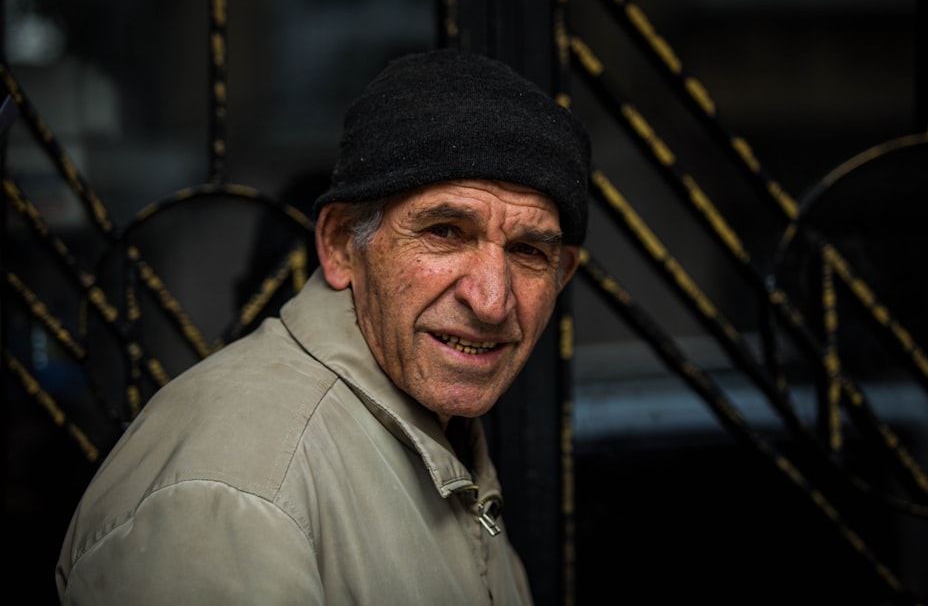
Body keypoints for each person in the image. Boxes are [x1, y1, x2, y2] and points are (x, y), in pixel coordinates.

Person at [55, 48, 591, 605]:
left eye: (529, 250)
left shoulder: (431, 427)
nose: (491, 300)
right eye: (445, 232)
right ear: (339, 245)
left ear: (561, 274)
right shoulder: (233, 494)